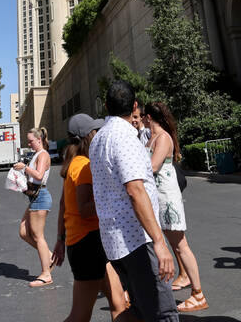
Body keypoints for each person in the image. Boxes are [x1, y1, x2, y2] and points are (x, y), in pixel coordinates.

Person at [89, 80, 178, 322]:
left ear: (106, 106)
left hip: (115, 240)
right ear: (135, 105)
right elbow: (135, 190)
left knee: (140, 310)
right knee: (163, 312)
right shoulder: (124, 137)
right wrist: (159, 242)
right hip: (137, 240)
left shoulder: (98, 139)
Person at [51, 113, 131, 322]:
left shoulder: (75, 164)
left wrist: (60, 239)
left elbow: (63, 204)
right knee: (80, 316)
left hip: (89, 243)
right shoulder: (84, 166)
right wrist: (112, 196)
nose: (98, 135)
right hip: (87, 244)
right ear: (88, 136)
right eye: (96, 132)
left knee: (119, 304)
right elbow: (85, 209)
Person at [143, 101, 207, 313]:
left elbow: (153, 166)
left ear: (150, 117)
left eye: (144, 115)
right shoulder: (151, 136)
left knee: (180, 245)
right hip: (158, 197)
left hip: (167, 197)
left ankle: (198, 294)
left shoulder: (162, 138)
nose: (142, 118)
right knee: (171, 243)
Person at [13, 127, 54, 287]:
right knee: (23, 232)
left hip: (40, 197)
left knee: (38, 236)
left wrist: (24, 167)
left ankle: (46, 274)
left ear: (39, 139)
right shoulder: (37, 154)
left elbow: (39, 175)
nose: (28, 143)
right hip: (35, 197)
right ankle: (49, 256)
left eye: (30, 141)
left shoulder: (43, 154)